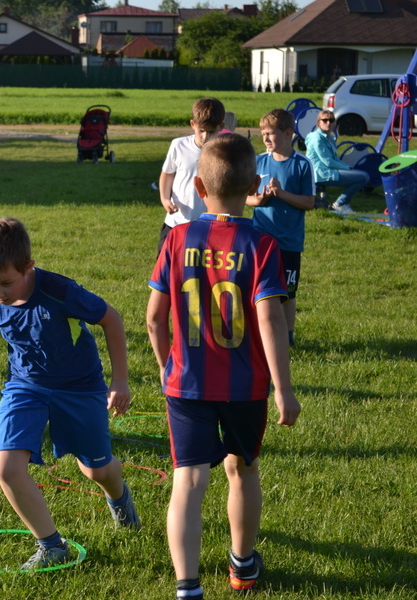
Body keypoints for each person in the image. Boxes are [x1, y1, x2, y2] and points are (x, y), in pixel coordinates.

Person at [147, 134, 301, 600]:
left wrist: (163, 366)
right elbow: (271, 318)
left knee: (189, 482)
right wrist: (283, 389)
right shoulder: (262, 245)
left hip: (186, 382)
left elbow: (154, 318)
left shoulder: (176, 238)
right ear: (255, 183)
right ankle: (241, 566)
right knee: (242, 470)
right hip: (245, 386)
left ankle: (187, 586)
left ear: (197, 185)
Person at [0, 218, 140, 570]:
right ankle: (51, 545)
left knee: (97, 471)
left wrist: (119, 381)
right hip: (24, 386)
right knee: (5, 467)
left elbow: (112, 319)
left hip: (79, 387)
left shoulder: (60, 292)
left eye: (5, 283)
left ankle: (119, 497)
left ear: (28, 267)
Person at [247, 109, 315, 348]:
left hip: (289, 241)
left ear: (288, 134)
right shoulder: (259, 162)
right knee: (260, 288)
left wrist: (282, 194)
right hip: (261, 239)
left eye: (271, 134)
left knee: (288, 291)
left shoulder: (302, 164)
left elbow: (309, 202)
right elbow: (247, 197)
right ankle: (258, 331)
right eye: (263, 133)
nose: (265, 138)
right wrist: (260, 199)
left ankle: (287, 334)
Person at [157, 97, 226, 255]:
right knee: (164, 269)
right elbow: (167, 174)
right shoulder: (178, 145)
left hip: (210, 225)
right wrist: (165, 199)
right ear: (193, 124)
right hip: (176, 222)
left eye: (211, 132)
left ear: (221, 127)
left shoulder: (225, 152)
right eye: (201, 131)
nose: (205, 137)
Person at [305, 110, 370, 214]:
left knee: (362, 176)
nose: (328, 123)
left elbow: (335, 159)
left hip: (328, 171)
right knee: (363, 177)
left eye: (331, 120)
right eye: (325, 120)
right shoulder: (317, 138)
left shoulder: (329, 137)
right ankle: (340, 204)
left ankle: (341, 203)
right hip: (321, 174)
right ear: (318, 123)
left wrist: (348, 169)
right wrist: (348, 168)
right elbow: (328, 162)